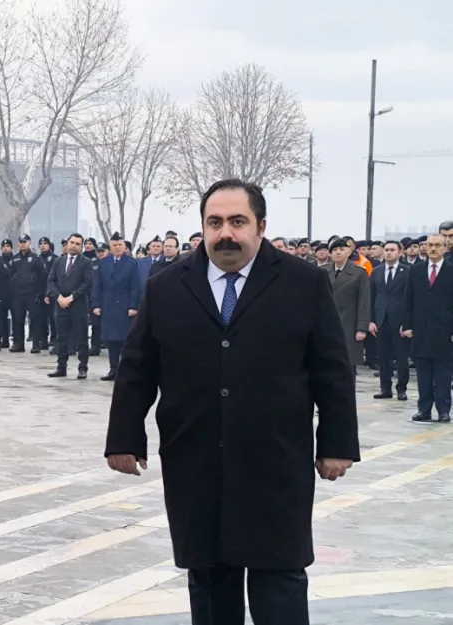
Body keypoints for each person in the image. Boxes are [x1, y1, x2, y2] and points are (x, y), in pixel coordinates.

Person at [105, 179, 360, 625]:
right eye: (215, 222)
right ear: (203, 227)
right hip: (195, 459)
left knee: (278, 576)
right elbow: (138, 368)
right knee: (208, 578)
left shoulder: (303, 283)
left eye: (238, 222)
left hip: (276, 460)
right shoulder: (166, 287)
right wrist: (123, 437)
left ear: (260, 226)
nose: (226, 233)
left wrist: (337, 443)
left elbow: (332, 370)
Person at [402, 234, 453, 423]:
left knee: (443, 374)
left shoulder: (451, 271)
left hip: (444, 332)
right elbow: (408, 300)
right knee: (423, 375)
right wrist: (407, 325)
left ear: (445, 249)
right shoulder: (415, 271)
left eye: (437, 245)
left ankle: (443, 410)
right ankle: (424, 409)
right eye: (430, 245)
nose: (432, 248)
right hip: (420, 330)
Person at [91, 232, 139, 381]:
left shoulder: (132, 263)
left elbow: (135, 287)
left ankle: (125, 370)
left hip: (124, 306)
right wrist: (96, 304)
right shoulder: (104, 262)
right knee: (111, 340)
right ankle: (113, 369)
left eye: (120, 245)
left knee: (124, 340)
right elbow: (97, 285)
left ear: (124, 246)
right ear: (110, 247)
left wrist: (133, 306)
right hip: (108, 306)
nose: (117, 248)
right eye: (114, 245)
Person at [46, 233, 93, 379]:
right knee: (61, 338)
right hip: (60, 305)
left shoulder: (86, 262)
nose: (74, 245)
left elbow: (87, 283)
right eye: (72, 242)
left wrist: (71, 297)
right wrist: (59, 297)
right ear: (67, 243)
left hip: (78, 305)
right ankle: (61, 367)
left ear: (81, 246)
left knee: (81, 338)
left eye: (77, 244)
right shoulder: (58, 261)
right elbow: (51, 280)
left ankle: (82, 367)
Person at [369, 240, 410, 401]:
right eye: (386, 249)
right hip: (381, 320)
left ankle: (402, 388)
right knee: (383, 357)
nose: (388, 252)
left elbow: (410, 298)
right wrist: (371, 320)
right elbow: (371, 297)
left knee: (401, 357)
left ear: (400, 252)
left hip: (399, 321)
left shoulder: (407, 271)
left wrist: (407, 323)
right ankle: (385, 388)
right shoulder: (377, 271)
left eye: (392, 250)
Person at [324, 239, 371, 375]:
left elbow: (364, 301)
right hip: (326, 323)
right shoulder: (322, 271)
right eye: (334, 250)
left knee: (348, 365)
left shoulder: (359, 273)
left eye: (341, 249)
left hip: (349, 323)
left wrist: (362, 328)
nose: (338, 252)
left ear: (349, 252)